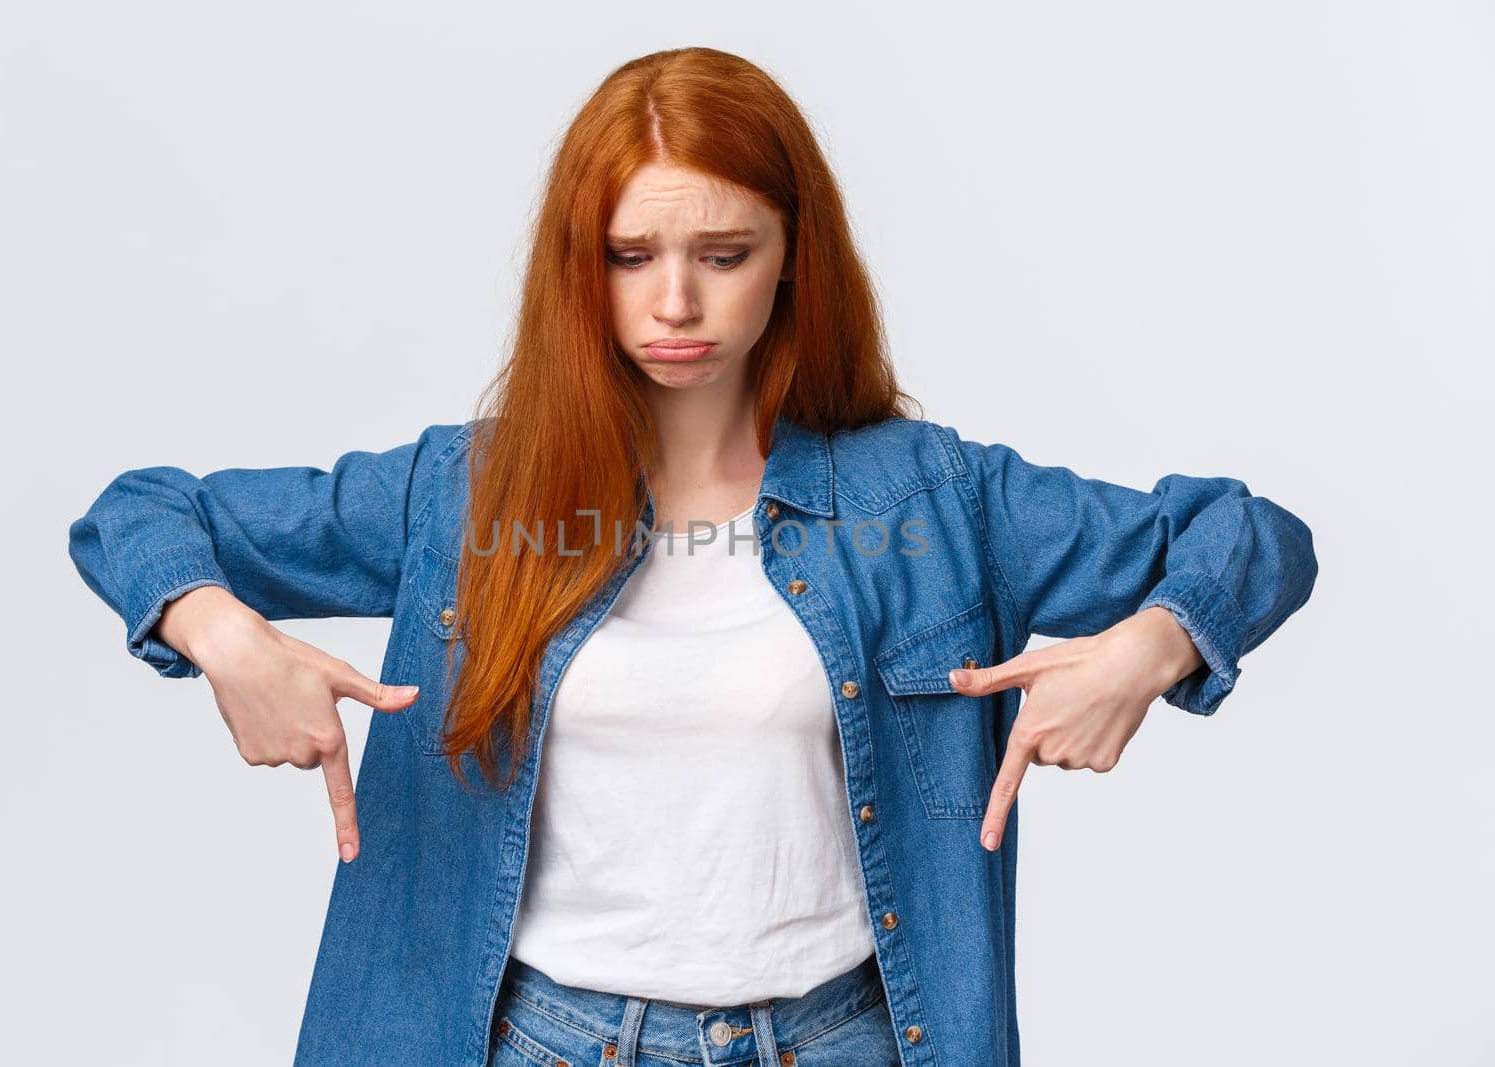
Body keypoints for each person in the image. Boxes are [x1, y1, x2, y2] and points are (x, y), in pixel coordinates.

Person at [67, 46, 1318, 1067]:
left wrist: (1153, 648)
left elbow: (1247, 535)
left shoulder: (931, 496)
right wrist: (221, 634)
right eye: (631, 256)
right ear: (581, 269)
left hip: (843, 1041)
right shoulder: (462, 491)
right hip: (536, 1041)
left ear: (791, 261)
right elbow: (142, 511)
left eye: (724, 256)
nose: (676, 302)